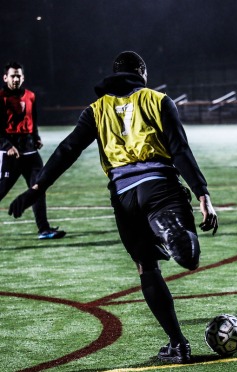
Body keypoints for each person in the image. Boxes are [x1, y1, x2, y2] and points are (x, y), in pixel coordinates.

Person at [8, 51, 218, 364]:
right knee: (185, 251)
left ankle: (178, 344)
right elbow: (179, 150)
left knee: (147, 268)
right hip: (159, 186)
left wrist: (37, 187)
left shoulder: (96, 109)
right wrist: (203, 194)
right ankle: (172, 232)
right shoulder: (159, 101)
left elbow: (68, 149)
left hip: (123, 196)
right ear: (142, 72)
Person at [0, 61, 66, 239]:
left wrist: (36, 137)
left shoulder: (30, 96)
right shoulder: (1, 97)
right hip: (9, 154)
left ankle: (44, 229)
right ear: (5, 77)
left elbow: (32, 120)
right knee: (1, 190)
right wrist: (7, 146)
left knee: (38, 188)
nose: (15, 79)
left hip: (30, 153)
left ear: (23, 77)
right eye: (12, 75)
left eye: (18, 76)